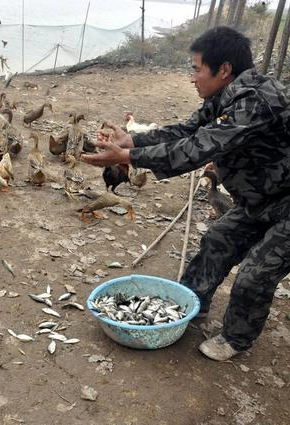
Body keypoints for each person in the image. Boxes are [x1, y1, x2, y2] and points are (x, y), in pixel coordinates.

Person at [81, 26, 290, 361]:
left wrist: (127, 158)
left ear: (223, 69)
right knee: (217, 239)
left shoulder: (256, 100)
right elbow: (187, 130)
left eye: (196, 69)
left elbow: (197, 149)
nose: (192, 78)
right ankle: (190, 305)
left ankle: (236, 339)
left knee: (255, 275)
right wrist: (131, 141)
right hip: (260, 200)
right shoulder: (226, 96)